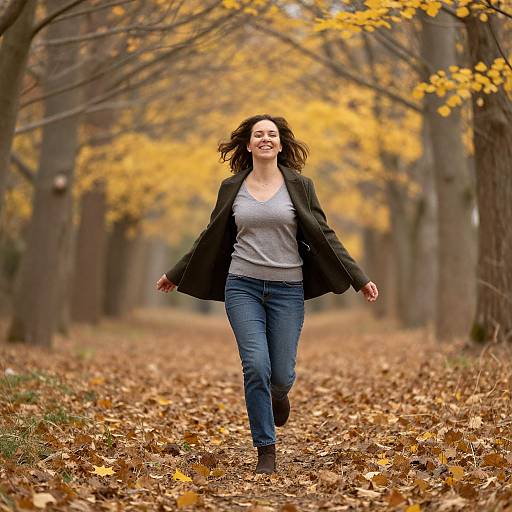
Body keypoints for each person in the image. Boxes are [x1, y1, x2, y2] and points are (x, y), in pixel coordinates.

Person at [156, 114, 379, 475]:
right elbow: (209, 234)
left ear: (279, 143)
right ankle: (266, 449)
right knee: (255, 366)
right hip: (241, 285)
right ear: (248, 144)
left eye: (271, 134)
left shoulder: (300, 186)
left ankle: (278, 394)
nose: (265, 139)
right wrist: (176, 273)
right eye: (258, 134)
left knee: (282, 374)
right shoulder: (232, 187)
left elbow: (325, 233)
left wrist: (359, 278)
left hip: (287, 289)